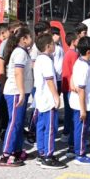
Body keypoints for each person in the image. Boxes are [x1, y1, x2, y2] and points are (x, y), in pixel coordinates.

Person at [0, 27, 33, 167]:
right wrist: (20, 92)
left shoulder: (23, 52)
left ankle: (17, 150)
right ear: (24, 39)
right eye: (30, 37)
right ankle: (6, 154)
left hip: (20, 91)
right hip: (15, 92)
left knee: (19, 123)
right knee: (14, 123)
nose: (32, 39)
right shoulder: (19, 53)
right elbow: (18, 73)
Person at [33, 33, 66, 170]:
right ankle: (48, 156)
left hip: (40, 98)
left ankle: (41, 152)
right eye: (53, 44)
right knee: (51, 128)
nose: (55, 46)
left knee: (41, 126)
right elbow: (49, 80)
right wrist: (56, 96)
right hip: (48, 98)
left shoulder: (39, 59)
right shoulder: (46, 61)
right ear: (48, 46)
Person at [68, 36, 90, 166]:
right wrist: (83, 109)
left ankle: (74, 148)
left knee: (79, 128)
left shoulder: (83, 62)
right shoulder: (83, 67)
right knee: (81, 129)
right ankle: (80, 154)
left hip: (83, 102)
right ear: (88, 52)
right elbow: (81, 90)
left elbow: (73, 76)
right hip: (82, 104)